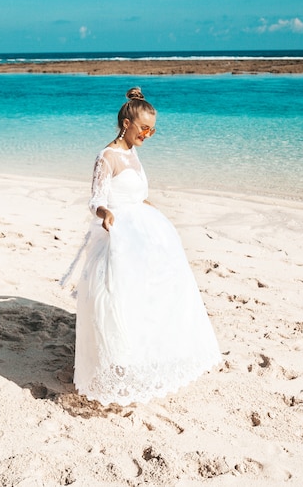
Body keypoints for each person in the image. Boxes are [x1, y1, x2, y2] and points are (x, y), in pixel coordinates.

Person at [73, 87, 221, 406]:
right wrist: (105, 214)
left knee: (159, 290)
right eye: (144, 128)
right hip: (119, 233)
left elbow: (136, 194)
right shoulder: (107, 156)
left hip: (146, 230)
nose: (148, 135)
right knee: (116, 297)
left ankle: (151, 354)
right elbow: (96, 199)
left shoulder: (133, 153)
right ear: (126, 123)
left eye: (152, 129)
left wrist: (151, 207)